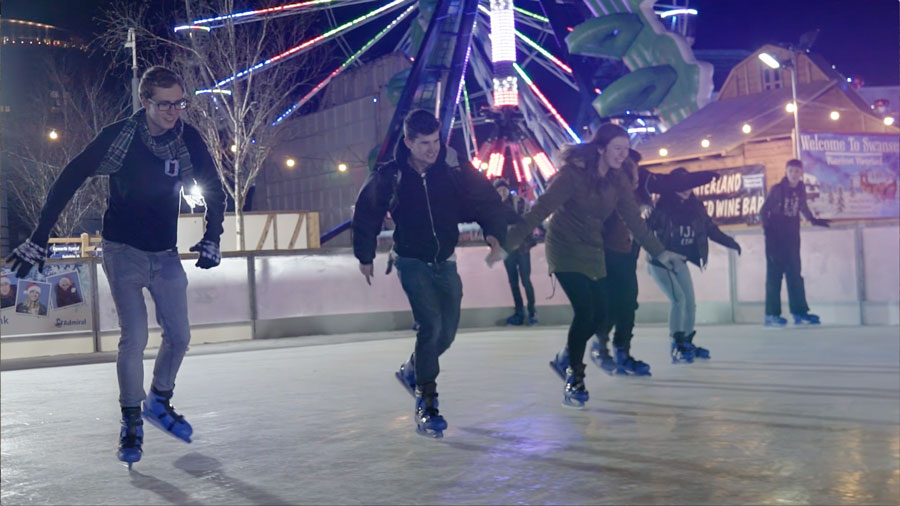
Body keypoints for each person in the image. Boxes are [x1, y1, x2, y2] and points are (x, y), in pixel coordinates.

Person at [4, 66, 226, 467]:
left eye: (179, 103)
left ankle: (159, 401)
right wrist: (40, 235)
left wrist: (213, 235)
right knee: (134, 336)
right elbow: (69, 178)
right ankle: (131, 420)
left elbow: (215, 189)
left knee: (180, 336)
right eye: (164, 104)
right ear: (145, 101)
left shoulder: (186, 138)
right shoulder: (120, 137)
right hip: (122, 252)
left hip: (165, 253)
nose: (173, 112)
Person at [352, 109, 507, 437]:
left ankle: (413, 370)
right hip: (410, 260)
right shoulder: (391, 174)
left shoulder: (452, 166)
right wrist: (365, 255)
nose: (432, 149)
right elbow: (366, 212)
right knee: (430, 325)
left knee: (446, 333)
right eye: (424, 143)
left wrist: (494, 233)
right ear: (408, 142)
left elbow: (485, 199)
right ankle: (427, 402)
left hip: (445, 260)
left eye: (436, 141)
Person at [505, 123, 677, 408]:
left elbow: (634, 221)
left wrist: (661, 252)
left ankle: (565, 358)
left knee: (602, 313)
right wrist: (510, 242)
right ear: (601, 149)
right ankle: (575, 377)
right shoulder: (573, 175)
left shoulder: (618, 179)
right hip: (564, 248)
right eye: (617, 148)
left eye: (626, 149)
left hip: (593, 250)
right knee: (585, 311)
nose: (623, 155)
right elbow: (542, 208)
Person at [591, 150, 717, 376]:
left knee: (628, 304)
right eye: (630, 169)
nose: (635, 176)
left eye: (636, 170)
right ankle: (597, 346)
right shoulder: (605, 183)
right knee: (612, 303)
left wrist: (706, 176)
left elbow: (673, 184)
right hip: (605, 252)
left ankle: (622, 353)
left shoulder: (644, 182)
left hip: (629, 253)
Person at [646, 168, 742, 363]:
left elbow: (709, 228)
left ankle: (687, 342)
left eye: (689, 185)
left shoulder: (696, 207)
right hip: (661, 261)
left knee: (690, 303)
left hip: (680, 260)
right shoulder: (660, 208)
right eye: (681, 186)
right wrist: (651, 253)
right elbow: (644, 231)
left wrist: (729, 242)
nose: (686, 190)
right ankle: (677, 345)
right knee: (678, 300)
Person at [761, 159, 830, 327]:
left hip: (792, 233)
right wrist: (768, 232)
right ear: (786, 172)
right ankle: (771, 315)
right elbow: (763, 211)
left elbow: (803, 207)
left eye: (797, 171)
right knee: (775, 275)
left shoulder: (800, 189)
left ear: (801, 173)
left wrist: (813, 220)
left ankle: (799, 312)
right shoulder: (777, 189)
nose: (794, 174)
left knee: (795, 274)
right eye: (791, 171)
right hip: (776, 234)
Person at [493, 177, 537, 326]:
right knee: (514, 282)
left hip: (522, 247)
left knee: (525, 280)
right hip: (508, 250)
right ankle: (520, 312)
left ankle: (531, 311)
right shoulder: (494, 207)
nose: (502, 193)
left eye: (504, 189)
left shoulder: (520, 203)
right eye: (499, 190)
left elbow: (526, 221)